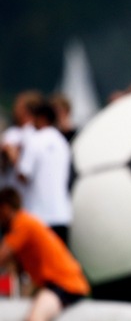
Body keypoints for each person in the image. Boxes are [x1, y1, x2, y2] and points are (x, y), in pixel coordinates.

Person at [0, 187, 90, 321]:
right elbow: (16, 270)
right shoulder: (23, 225)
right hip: (55, 283)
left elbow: (2, 256)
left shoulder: (22, 223)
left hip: (65, 284)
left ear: (5, 208)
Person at [15, 103, 73, 243]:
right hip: (62, 214)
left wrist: (13, 156)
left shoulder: (35, 140)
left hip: (38, 215)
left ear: (41, 119)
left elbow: (23, 175)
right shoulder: (62, 142)